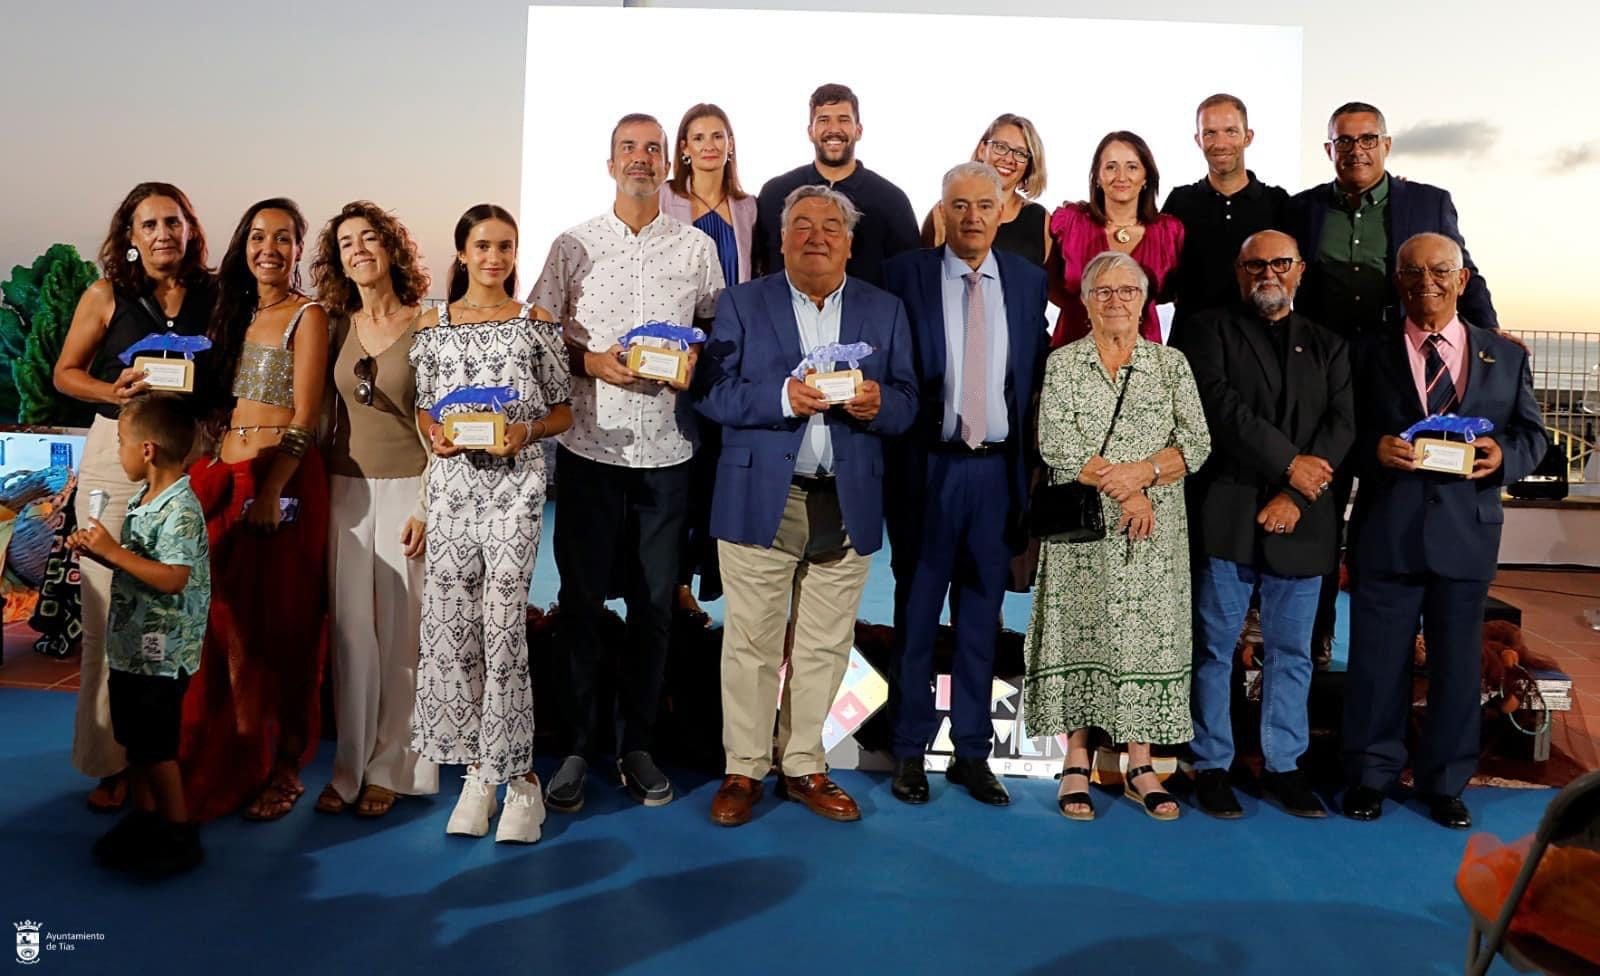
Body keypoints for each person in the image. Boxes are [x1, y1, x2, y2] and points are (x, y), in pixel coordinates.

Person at [697, 185, 917, 826]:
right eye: (802, 225)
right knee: (751, 642)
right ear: (781, 238)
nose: (816, 236)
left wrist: (883, 406)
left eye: (831, 226)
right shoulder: (739, 303)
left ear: (850, 241)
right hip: (761, 497)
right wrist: (783, 399)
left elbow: (907, 399)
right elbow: (712, 396)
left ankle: (802, 765)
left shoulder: (886, 311)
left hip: (847, 499)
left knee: (825, 643)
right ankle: (743, 768)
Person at [528, 113, 723, 814]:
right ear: (609, 162)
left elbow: (713, 331)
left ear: (668, 164)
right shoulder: (572, 245)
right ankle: (579, 744)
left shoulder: (698, 248)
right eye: (629, 148)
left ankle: (636, 744)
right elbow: (542, 332)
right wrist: (590, 361)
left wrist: (695, 360)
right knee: (580, 603)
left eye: (652, 149)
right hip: (590, 449)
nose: (641, 159)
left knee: (655, 608)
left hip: (668, 454)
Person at [1340, 233, 1544, 830]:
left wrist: (1500, 455)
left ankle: (1445, 782)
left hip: (1467, 533)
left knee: (1459, 669)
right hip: (1388, 531)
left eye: (1438, 271)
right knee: (1377, 664)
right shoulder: (1364, 352)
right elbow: (1339, 430)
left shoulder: (1505, 357)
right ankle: (1370, 776)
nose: (1424, 282)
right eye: (1411, 272)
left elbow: (1533, 436)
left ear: (1461, 280)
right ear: (1397, 281)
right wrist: (1369, 448)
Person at [1286, 101, 1501, 670]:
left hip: (1396, 374)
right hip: (1327, 376)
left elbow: (1460, 271)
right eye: (1344, 141)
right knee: (1321, 505)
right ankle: (1317, 640)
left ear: (1386, 144)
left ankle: (1404, 642)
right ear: (1329, 150)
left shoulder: (1427, 201)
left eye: (1367, 138)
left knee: (1392, 500)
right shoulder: (1303, 209)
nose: (1356, 149)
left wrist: (1494, 337)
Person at [882, 162, 1048, 806]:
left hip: (997, 473)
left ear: (1005, 209)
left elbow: (1027, 378)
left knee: (982, 615)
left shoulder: (1030, 283)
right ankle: (909, 751)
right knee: (917, 614)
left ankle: (973, 752)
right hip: (928, 469)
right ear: (942, 211)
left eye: (985, 204)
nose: (973, 216)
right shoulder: (904, 275)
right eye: (959, 205)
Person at [1023, 250, 1210, 822]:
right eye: (1103, 291)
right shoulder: (1064, 365)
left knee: (1145, 642)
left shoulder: (1170, 364)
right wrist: (1127, 489)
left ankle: (1141, 764)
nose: (1116, 301)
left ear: (1145, 300)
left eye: (1128, 291)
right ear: (1084, 301)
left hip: (1153, 540)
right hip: (1084, 535)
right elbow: (1056, 444)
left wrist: (1146, 475)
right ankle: (1076, 759)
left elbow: (1196, 444)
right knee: (1081, 637)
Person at [1174, 231, 1353, 819]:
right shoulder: (1207, 330)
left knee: (1291, 653)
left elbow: (1341, 426)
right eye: (1255, 265)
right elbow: (1222, 410)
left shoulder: (1330, 344)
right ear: (1238, 270)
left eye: (1280, 263)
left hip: (1304, 517)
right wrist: (1288, 465)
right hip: (1228, 515)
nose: (1267, 273)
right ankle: (1213, 763)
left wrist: (1295, 495)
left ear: (1300, 270)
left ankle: (1284, 766)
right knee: (1214, 650)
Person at [410, 204, 572, 843]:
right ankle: (483, 775)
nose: (495, 258)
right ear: (462, 251)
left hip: (516, 489)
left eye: (505, 246)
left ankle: (519, 779)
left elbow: (561, 412)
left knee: (504, 630)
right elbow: (425, 412)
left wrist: (523, 433)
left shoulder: (536, 324)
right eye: (482, 245)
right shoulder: (433, 326)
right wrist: (437, 439)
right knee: (455, 634)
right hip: (451, 492)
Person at [53, 182, 215, 813]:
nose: (162, 234)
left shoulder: (214, 295)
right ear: (130, 236)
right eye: (148, 225)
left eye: (172, 222)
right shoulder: (106, 294)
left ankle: (167, 756)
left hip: (188, 458)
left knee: (179, 614)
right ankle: (109, 762)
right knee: (106, 619)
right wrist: (112, 393)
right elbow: (64, 372)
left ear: (190, 229)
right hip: (115, 458)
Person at [179, 198, 331, 822]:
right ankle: (238, 756)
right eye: (258, 236)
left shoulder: (308, 315)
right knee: (226, 628)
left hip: (283, 482)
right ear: (244, 245)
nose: (269, 248)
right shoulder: (232, 315)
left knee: (288, 628)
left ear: (299, 249)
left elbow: (306, 414)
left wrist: (272, 490)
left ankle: (288, 764)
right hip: (226, 478)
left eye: (284, 238)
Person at [309, 201, 437, 818]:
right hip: (346, 491)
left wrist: (430, 503)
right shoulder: (335, 326)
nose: (358, 250)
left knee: (402, 636)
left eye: (368, 238)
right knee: (352, 635)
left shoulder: (428, 326)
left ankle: (395, 767)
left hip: (412, 489)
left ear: (391, 247)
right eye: (345, 243)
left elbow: (443, 427)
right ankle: (348, 768)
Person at [69, 394, 209, 878]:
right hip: (132, 648)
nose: (120, 454)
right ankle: (146, 819)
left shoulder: (181, 509)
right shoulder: (143, 500)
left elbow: (173, 577)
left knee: (157, 747)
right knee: (136, 740)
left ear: (146, 450)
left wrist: (114, 552)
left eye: (122, 444)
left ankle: (178, 829)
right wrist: (100, 551)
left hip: (162, 651)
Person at [658, 102, 757, 613]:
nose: (710, 145)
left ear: (730, 144)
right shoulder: (664, 200)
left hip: (732, 351)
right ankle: (674, 584)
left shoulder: (750, 208)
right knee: (681, 471)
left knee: (723, 468)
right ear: (684, 148)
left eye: (718, 135)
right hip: (674, 353)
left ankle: (717, 582)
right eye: (699, 137)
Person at [753, 83, 919, 285]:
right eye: (823, 120)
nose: (833, 129)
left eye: (843, 120)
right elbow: (757, 267)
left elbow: (910, 278)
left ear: (858, 130)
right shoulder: (774, 194)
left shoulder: (892, 202)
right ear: (810, 132)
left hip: (866, 315)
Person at [1162, 94, 1289, 349]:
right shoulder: (1180, 201)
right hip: (1192, 343)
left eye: (1230, 131)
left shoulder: (1277, 202)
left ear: (1248, 136)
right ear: (1198, 140)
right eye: (1209, 133)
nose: (1220, 143)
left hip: (1261, 344)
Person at [1047, 131, 1184, 348]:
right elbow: (1048, 285)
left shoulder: (1169, 231)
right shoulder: (1070, 223)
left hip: (1143, 352)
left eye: (1132, 167)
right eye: (1111, 166)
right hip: (1073, 348)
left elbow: (1173, 292)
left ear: (1146, 176)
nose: (1121, 176)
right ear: (1098, 177)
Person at [920, 114, 1052, 267]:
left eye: (1020, 153)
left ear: (1029, 164)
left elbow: (1046, 286)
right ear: (982, 150)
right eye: (1000, 147)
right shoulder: (945, 212)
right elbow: (922, 276)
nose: (1009, 159)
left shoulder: (1040, 220)